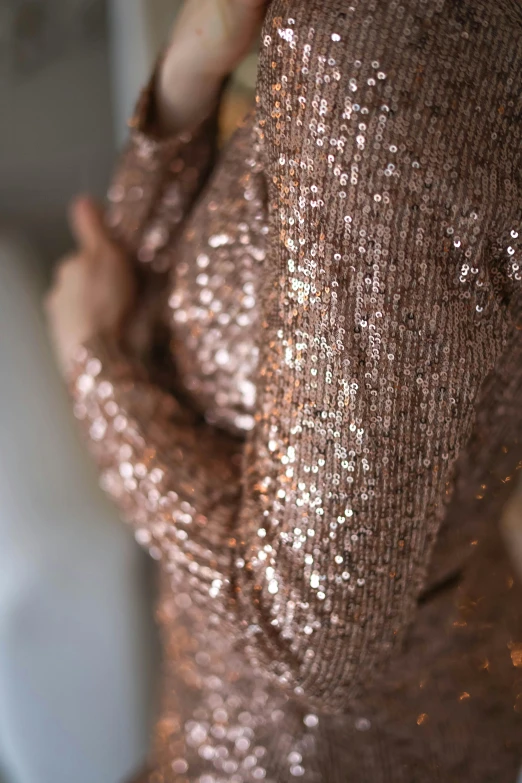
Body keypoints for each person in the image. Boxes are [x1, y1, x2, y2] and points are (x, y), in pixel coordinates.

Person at [46, 0, 522, 780]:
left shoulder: (388, 55)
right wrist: (187, 82)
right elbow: (150, 292)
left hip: (317, 750)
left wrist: (93, 368)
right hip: (314, 696)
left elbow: (307, 631)